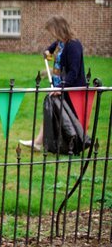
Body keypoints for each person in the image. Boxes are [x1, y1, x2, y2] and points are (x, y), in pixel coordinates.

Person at [20, 16, 86, 150]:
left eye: (52, 31)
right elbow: (50, 49)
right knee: (51, 110)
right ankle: (39, 142)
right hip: (58, 85)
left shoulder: (73, 45)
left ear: (59, 29)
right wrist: (47, 52)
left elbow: (73, 72)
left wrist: (61, 88)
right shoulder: (60, 43)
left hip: (70, 88)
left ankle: (76, 143)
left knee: (70, 117)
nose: (51, 34)